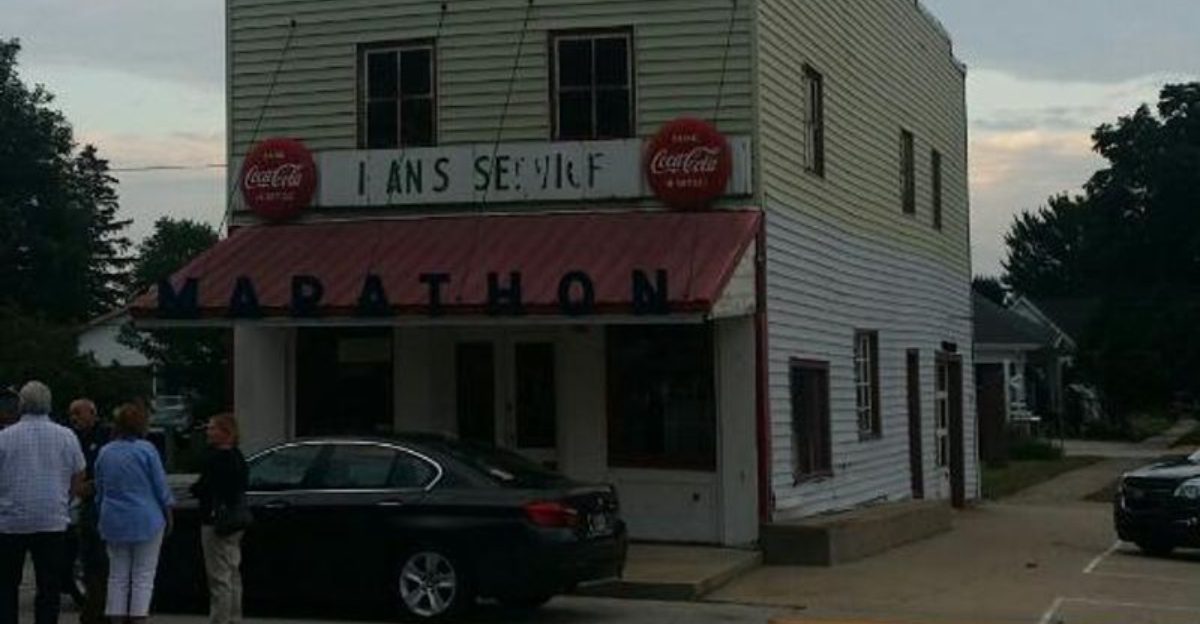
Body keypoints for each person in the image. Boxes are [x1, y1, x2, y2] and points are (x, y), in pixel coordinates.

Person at [0, 381, 87, 624]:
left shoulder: (4, 437)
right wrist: (65, 498)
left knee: (7, 586)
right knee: (49, 587)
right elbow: (79, 473)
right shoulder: (66, 436)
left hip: (10, 521)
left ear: (21, 405)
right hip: (52, 519)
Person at [93, 404, 173, 624]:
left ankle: (115, 618)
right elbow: (160, 486)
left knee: (117, 575)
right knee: (143, 575)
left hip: (113, 519)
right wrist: (168, 512)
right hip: (146, 517)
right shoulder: (146, 449)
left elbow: (99, 489)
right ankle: (138, 618)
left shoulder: (105, 451)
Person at [189, 415, 247, 624]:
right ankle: (234, 616)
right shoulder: (238, 457)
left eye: (213, 428)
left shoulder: (214, 459)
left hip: (215, 520)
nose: (208, 432)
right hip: (236, 519)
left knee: (218, 575)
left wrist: (195, 490)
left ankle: (220, 618)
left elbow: (204, 487)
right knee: (232, 571)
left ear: (226, 432)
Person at [68, 400, 112, 624]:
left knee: (103, 561)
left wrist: (91, 485)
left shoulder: (106, 436)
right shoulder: (72, 438)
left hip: (103, 505)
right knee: (89, 562)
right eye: (71, 414)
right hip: (84, 507)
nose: (74, 418)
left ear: (92, 413)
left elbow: (108, 471)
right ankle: (93, 610)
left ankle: (102, 610)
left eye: (78, 413)